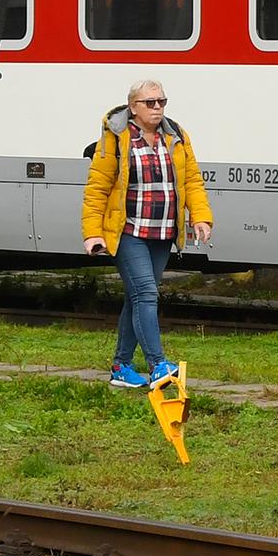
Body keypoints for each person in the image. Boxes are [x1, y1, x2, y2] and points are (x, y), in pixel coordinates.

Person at [80, 78, 213, 390]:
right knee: (146, 294)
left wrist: (201, 217)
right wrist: (92, 233)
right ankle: (158, 365)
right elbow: (97, 188)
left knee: (137, 296)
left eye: (162, 101)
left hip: (163, 232)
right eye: (150, 103)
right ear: (133, 107)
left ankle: (121, 367)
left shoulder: (176, 135)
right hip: (128, 231)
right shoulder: (116, 138)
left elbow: (192, 180)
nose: (157, 108)